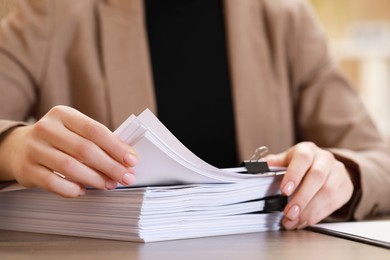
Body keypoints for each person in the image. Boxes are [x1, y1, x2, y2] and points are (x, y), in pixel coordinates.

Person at [0, 0, 389, 231]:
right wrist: (12, 147)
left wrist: (344, 174)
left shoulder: (285, 16)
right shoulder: (52, 13)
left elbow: (378, 159)